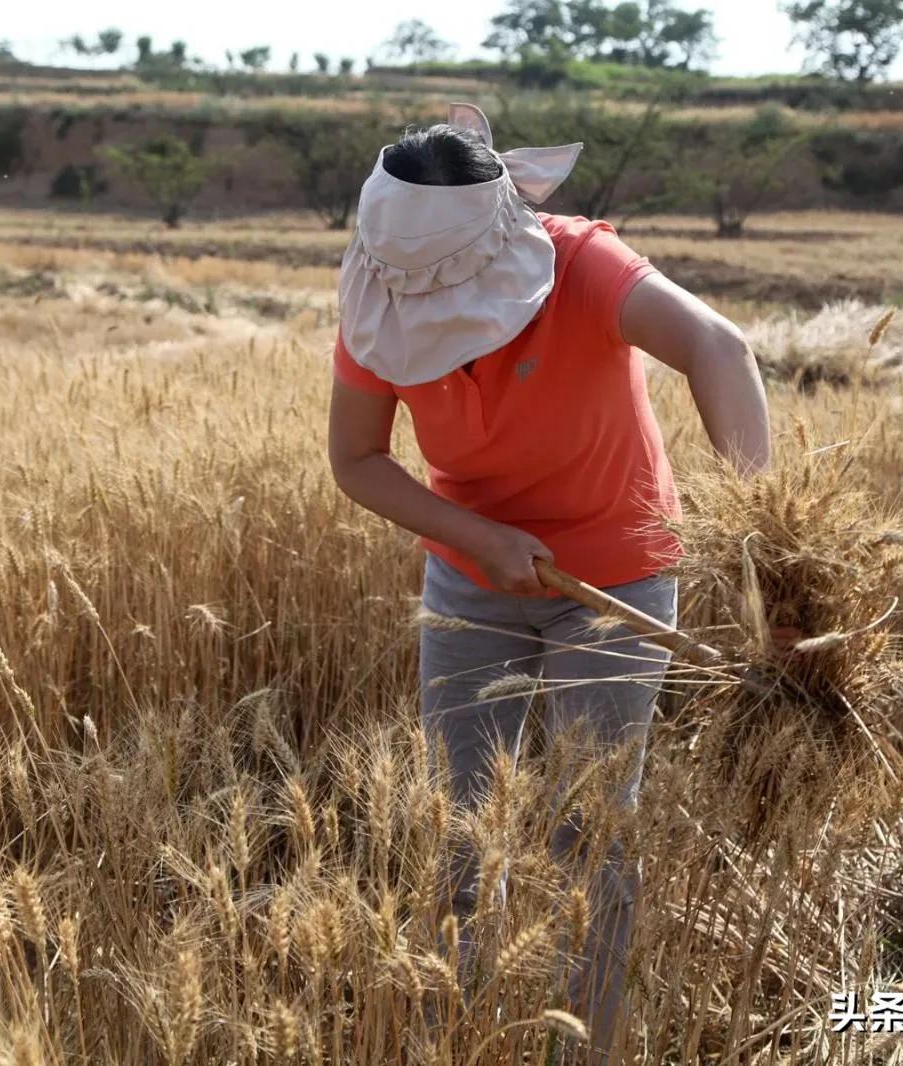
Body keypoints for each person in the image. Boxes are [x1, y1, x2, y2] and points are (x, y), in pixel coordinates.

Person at [325, 103, 772, 1057]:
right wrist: (475, 537)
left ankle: (587, 1045)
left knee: (590, 832)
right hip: (467, 578)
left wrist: (761, 537)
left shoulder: (581, 265)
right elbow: (357, 460)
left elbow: (718, 348)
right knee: (456, 823)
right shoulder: (379, 296)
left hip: (616, 571)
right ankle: (456, 1029)